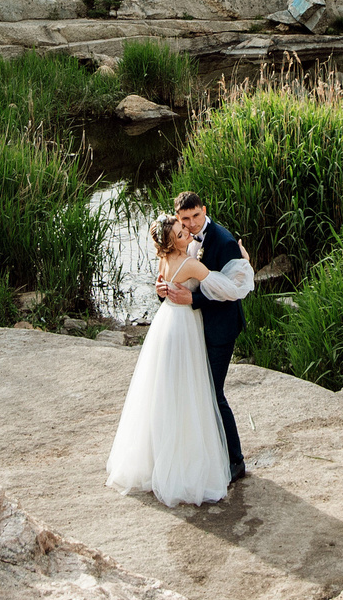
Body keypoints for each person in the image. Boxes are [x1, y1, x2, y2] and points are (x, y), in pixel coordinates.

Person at [104, 205, 233, 505]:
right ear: (173, 242)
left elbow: (161, 288)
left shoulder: (164, 260)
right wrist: (246, 262)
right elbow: (224, 285)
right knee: (189, 390)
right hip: (183, 325)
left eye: (185, 227)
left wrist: (163, 290)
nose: (186, 231)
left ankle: (157, 459)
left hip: (165, 324)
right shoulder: (188, 264)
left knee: (163, 390)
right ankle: (185, 463)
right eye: (179, 232)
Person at [155, 190, 253, 483]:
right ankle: (211, 453)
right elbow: (178, 283)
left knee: (213, 393)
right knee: (199, 392)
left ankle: (235, 460)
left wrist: (244, 261)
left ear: (204, 210)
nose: (191, 224)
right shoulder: (181, 245)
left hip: (220, 329)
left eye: (196, 216)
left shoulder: (223, 241)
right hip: (193, 330)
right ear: (178, 221)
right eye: (184, 220)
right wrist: (165, 292)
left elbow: (232, 293)